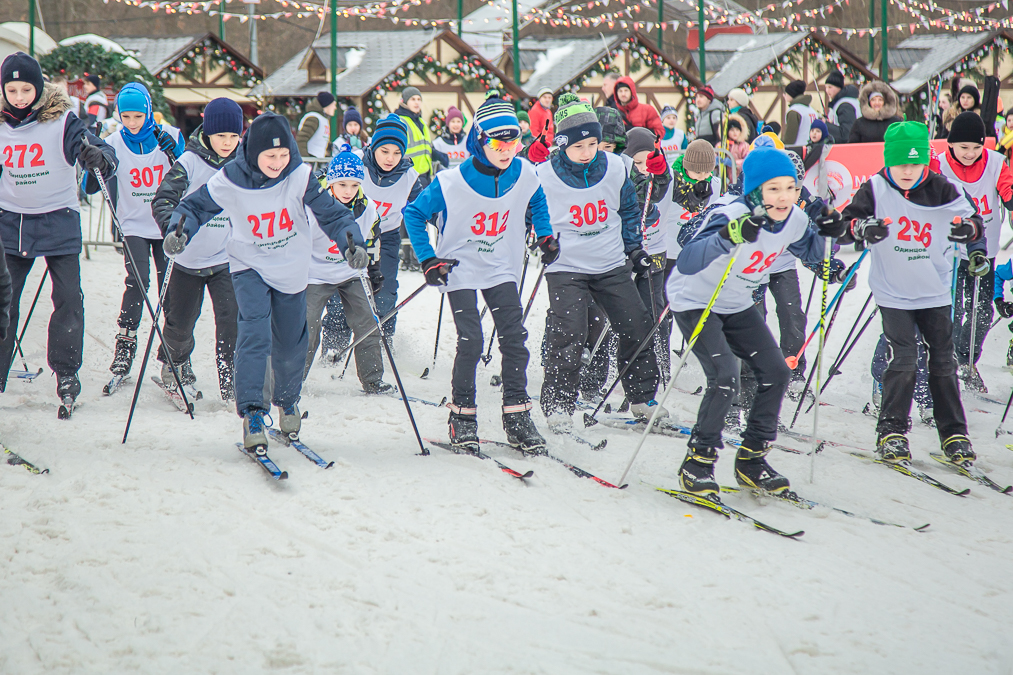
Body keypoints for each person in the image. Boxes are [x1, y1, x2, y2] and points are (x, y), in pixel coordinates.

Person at [164, 113, 365, 452]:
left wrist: (351, 242)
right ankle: (254, 413)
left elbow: (333, 214)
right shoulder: (231, 178)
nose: (278, 162)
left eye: (283, 154)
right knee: (254, 335)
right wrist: (179, 229)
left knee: (289, 343)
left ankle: (287, 401)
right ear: (253, 152)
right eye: (270, 156)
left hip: (290, 270)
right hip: (248, 266)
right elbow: (195, 206)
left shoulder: (300, 177)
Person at [671, 146, 836, 495]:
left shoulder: (793, 219)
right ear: (755, 190)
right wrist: (729, 235)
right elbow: (687, 260)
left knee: (776, 371)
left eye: (790, 187)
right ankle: (697, 463)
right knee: (725, 377)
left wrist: (831, 241)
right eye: (773, 189)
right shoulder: (729, 211)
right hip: (696, 299)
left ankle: (751, 460)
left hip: (734, 302)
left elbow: (814, 253)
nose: (784, 197)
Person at [404, 98, 550, 452]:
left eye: (513, 142)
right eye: (498, 144)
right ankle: (462, 416)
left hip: (501, 266)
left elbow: (538, 199)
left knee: (514, 338)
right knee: (471, 340)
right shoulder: (450, 181)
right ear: (478, 141)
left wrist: (544, 235)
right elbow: (413, 214)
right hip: (460, 268)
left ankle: (517, 416)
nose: (507, 151)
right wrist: (427, 259)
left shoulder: (524, 171)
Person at [838, 121, 983, 464]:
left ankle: (954, 434)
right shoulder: (874, 188)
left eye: (915, 164)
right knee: (902, 360)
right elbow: (844, 227)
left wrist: (970, 235)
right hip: (893, 293)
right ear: (888, 160)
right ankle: (891, 432)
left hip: (934, 291)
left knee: (942, 362)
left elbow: (974, 221)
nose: (908, 171)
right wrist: (862, 228)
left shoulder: (942, 188)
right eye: (901, 163)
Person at [536, 93, 666, 430]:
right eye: (578, 146)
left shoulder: (616, 167)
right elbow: (530, 213)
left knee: (637, 325)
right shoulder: (544, 174)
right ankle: (558, 405)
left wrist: (634, 248)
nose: (587, 152)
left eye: (593, 143)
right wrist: (541, 239)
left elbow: (627, 211)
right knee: (569, 333)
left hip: (609, 263)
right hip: (566, 266)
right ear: (562, 145)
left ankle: (641, 398)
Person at [0, 52, 117, 407]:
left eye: (26, 89)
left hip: (58, 218)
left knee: (68, 298)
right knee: (5, 301)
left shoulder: (61, 119)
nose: (19, 97)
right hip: (12, 221)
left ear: (38, 88)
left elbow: (96, 149)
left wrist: (100, 158)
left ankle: (66, 372)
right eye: (12, 90)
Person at [151, 98, 242, 401]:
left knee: (232, 321)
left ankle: (232, 376)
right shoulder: (189, 162)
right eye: (221, 136)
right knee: (180, 323)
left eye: (233, 136)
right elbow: (163, 200)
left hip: (226, 260)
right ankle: (173, 366)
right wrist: (171, 231)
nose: (227, 143)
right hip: (187, 260)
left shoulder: (243, 166)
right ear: (208, 134)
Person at [103, 83, 185, 384]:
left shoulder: (171, 136)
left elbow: (190, 172)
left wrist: (174, 151)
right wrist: (94, 155)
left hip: (165, 224)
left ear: (149, 111)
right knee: (138, 281)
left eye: (139, 115)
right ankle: (125, 345)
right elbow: (91, 182)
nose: (133, 123)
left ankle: (176, 352)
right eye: (126, 116)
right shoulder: (113, 141)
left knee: (172, 288)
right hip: (134, 225)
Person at [932, 111, 1013, 392]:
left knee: (981, 311)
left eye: (976, 147)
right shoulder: (939, 164)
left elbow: (1008, 188)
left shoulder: (994, 162)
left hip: (983, 249)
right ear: (951, 143)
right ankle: (948, 358)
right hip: (950, 251)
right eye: (963, 147)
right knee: (952, 308)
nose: (970, 153)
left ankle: (967, 361)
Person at [303, 146, 391, 394]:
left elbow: (372, 242)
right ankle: (293, 380)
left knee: (368, 321)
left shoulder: (369, 208)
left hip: (352, 272)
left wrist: (373, 270)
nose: (348, 192)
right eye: (342, 185)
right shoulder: (312, 205)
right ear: (331, 182)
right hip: (315, 272)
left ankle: (372, 379)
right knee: (307, 324)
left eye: (354, 185)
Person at [355, 113, 424, 338]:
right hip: (350, 237)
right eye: (384, 151)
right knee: (345, 292)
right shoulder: (356, 162)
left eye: (397, 152)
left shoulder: (409, 176)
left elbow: (425, 209)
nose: (390, 158)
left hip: (386, 237)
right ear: (373, 146)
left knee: (384, 292)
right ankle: (334, 347)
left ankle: (385, 343)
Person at [624, 128, 672, 377]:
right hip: (628, 253)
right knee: (624, 309)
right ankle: (624, 360)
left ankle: (661, 361)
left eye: (648, 161)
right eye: (637, 162)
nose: (644, 168)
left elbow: (684, 194)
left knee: (655, 310)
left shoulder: (663, 176)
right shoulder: (623, 178)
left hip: (654, 252)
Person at [396, 87, 447, 183]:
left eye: (419, 99)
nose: (417, 102)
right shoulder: (400, 121)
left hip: (425, 174)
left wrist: (438, 155)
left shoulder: (421, 122)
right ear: (404, 102)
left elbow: (425, 147)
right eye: (413, 99)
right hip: (408, 175)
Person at [296, 92, 336, 160]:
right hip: (311, 157)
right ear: (327, 105)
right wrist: (306, 160)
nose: (335, 108)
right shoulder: (313, 118)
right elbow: (301, 140)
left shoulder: (323, 119)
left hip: (317, 158)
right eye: (333, 105)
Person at [823, 70, 860, 144]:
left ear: (839, 88)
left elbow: (846, 134)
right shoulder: (849, 100)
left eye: (830, 87)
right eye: (826, 87)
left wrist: (826, 125)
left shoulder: (845, 105)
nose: (827, 91)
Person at [780, 80, 818, 148]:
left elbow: (789, 139)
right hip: (811, 150)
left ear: (792, 94)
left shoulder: (794, 111)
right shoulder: (812, 111)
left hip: (797, 151)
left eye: (786, 93)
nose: (784, 95)